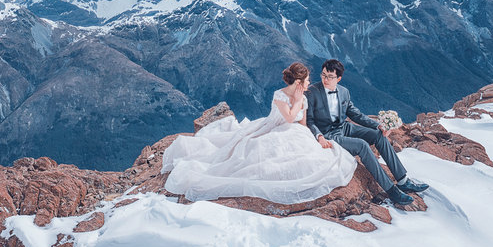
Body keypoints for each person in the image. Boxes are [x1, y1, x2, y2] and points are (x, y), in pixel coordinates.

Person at [161, 62, 357, 204]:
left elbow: (303, 123)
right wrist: (297, 101)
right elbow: (288, 117)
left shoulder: (303, 98)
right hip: (273, 128)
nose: (309, 84)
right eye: (306, 81)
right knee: (253, 155)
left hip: (295, 132)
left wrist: (311, 138)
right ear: (298, 82)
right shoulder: (280, 96)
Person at [306, 58, 429, 207]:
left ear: (339, 78)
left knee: (378, 135)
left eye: (330, 76)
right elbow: (309, 120)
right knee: (362, 145)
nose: (325, 79)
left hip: (344, 127)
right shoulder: (312, 92)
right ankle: (392, 190)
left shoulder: (344, 92)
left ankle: (403, 181)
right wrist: (319, 136)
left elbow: (356, 115)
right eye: (323, 75)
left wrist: (378, 126)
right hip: (327, 135)